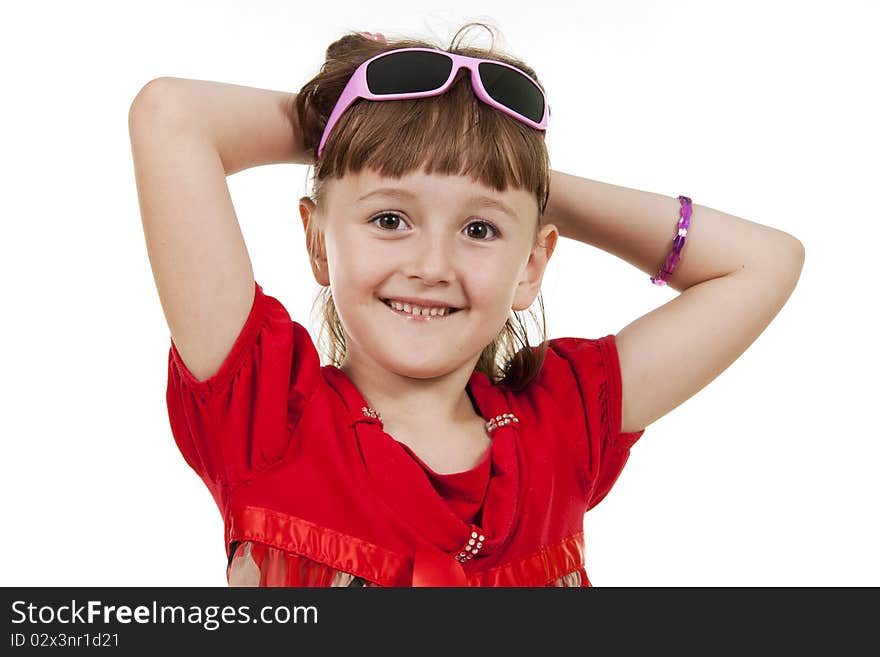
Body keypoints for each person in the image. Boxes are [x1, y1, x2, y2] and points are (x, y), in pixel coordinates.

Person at [128, 25, 805, 586]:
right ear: (317, 241)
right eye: (390, 218)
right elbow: (169, 116)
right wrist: (383, 132)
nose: (431, 266)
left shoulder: (563, 425)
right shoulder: (268, 417)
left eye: (480, 229)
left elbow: (765, 262)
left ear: (531, 265)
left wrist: (515, 170)